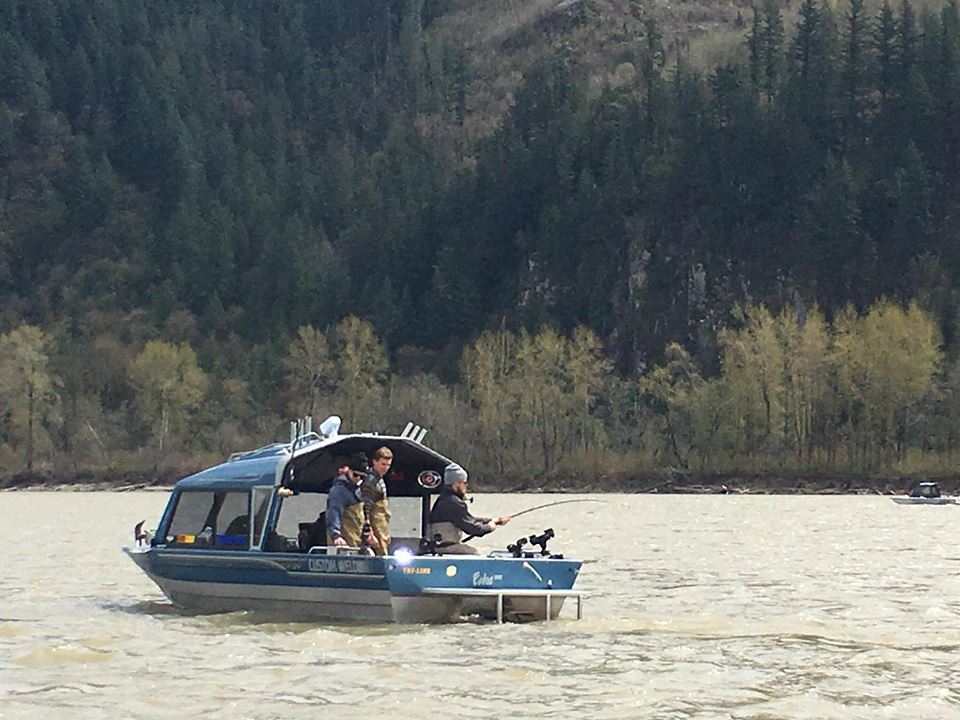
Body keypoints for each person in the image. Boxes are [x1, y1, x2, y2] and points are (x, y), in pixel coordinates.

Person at [427, 463, 511, 554]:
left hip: (438, 547)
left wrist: (494, 520)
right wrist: (490, 527)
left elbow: (467, 519)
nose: (466, 486)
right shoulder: (453, 502)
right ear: (457, 483)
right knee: (476, 553)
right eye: (465, 483)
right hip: (445, 548)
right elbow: (473, 528)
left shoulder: (444, 499)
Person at [326, 453, 368, 548]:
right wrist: (336, 535)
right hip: (342, 544)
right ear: (349, 470)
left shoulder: (359, 490)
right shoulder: (338, 490)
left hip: (355, 541)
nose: (358, 479)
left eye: (362, 477)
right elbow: (334, 512)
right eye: (355, 475)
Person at [361, 446, 393, 555]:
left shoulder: (380, 479)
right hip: (375, 528)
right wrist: (369, 533)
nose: (386, 468)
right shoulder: (370, 481)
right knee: (381, 556)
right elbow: (365, 508)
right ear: (374, 461)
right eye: (383, 464)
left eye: (388, 465)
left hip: (381, 525)